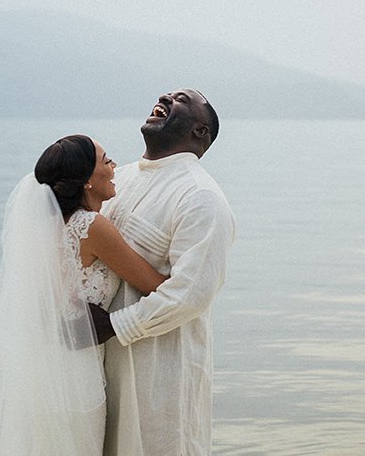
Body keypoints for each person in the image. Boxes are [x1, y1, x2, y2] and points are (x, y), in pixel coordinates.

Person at [0, 134, 168, 455]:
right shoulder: (92, 226)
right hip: (74, 374)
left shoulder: (44, 228)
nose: (114, 167)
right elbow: (155, 284)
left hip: (39, 369)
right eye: (106, 160)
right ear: (86, 180)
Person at [91, 88, 235, 455]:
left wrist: (113, 326)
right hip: (96, 362)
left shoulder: (200, 196)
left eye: (182, 99)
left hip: (160, 368)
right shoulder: (117, 179)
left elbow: (191, 295)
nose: (166, 97)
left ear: (200, 132)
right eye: (167, 94)